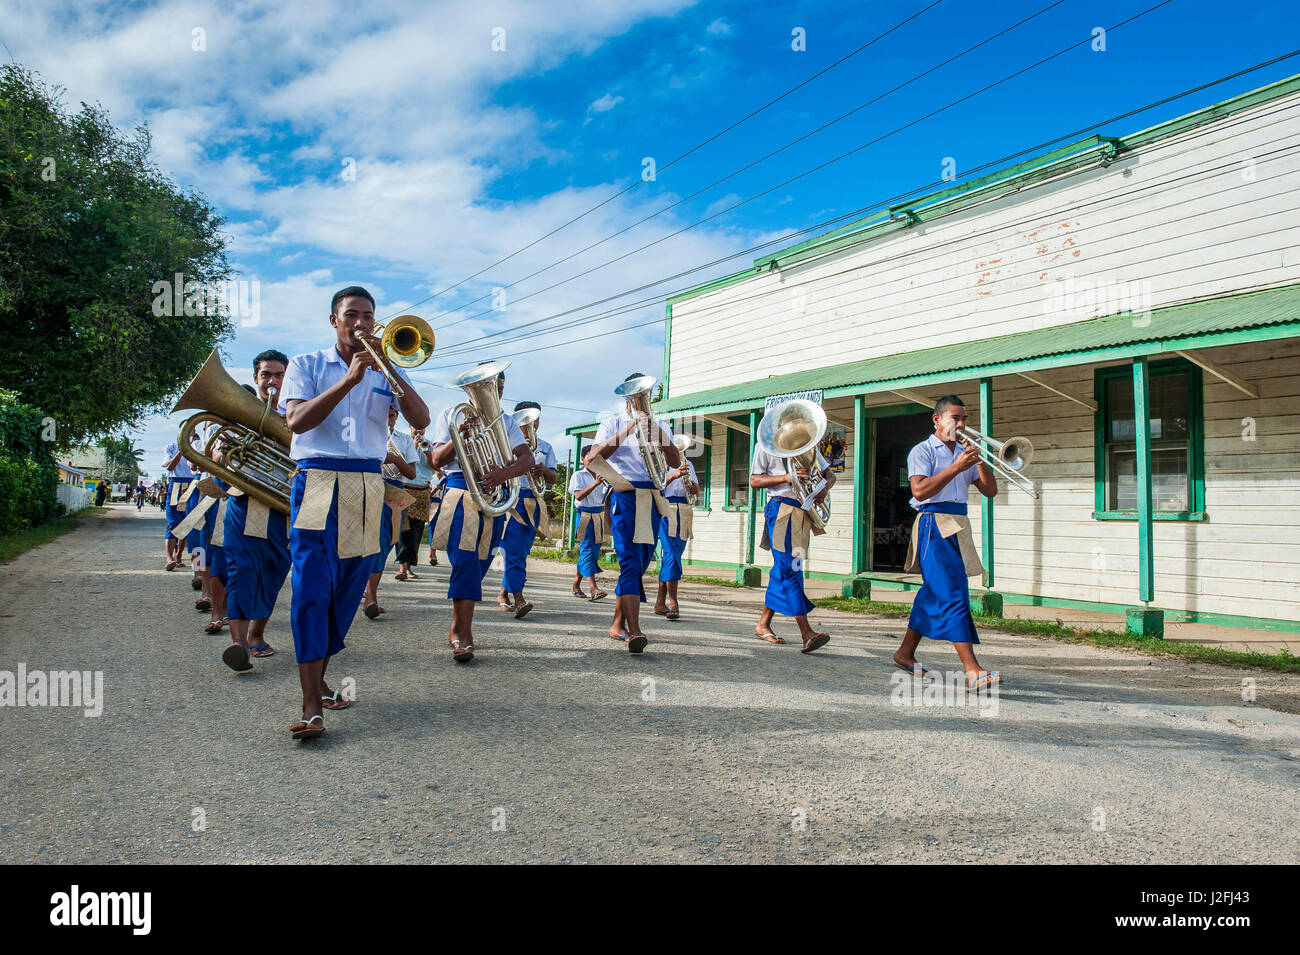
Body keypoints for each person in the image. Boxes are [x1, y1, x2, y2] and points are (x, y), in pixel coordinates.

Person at [280, 286, 430, 739]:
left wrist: (394, 372)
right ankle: (311, 704)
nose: (361, 323)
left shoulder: (386, 369)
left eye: (368, 315)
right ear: (334, 320)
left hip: (367, 482)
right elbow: (296, 421)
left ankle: (319, 680)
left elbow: (421, 420)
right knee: (311, 586)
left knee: (347, 590)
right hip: (317, 478)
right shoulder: (305, 365)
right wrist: (349, 379)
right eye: (352, 315)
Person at [426, 362, 533, 663]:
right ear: (466, 389)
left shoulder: (507, 420)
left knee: (482, 561)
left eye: (499, 384)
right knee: (466, 560)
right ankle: (465, 635)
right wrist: (457, 435)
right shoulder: (451, 414)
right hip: (461, 489)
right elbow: (436, 459)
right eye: (488, 385)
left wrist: (505, 473)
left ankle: (456, 625)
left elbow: (526, 458)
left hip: (495, 489)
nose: (495, 389)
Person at [893, 395, 1001, 691]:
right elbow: (920, 490)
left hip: (957, 524)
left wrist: (979, 462)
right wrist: (956, 466)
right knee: (953, 592)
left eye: (965, 418)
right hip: (932, 524)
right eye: (956, 418)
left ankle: (905, 653)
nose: (962, 424)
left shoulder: (965, 453)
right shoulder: (923, 450)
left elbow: (990, 491)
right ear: (937, 419)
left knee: (934, 592)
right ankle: (972, 669)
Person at [584, 373, 681, 654]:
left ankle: (617, 624)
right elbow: (594, 457)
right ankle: (635, 630)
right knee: (629, 562)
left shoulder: (661, 425)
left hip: (653, 496)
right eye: (636, 396)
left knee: (641, 562)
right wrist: (629, 430)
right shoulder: (611, 423)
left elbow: (674, 460)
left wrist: (656, 431)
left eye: (644, 395)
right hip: (625, 494)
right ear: (626, 398)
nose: (640, 401)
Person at [220, 351, 292, 672]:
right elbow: (221, 466)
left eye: (279, 375)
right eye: (266, 375)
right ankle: (238, 644)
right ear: (256, 379)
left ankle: (257, 634)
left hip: (282, 505)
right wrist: (225, 453)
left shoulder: (297, 415)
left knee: (275, 570)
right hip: (244, 499)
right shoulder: (236, 416)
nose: (273, 381)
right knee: (242, 568)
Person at [750, 413, 835, 652]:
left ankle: (763, 624)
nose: (797, 428)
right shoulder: (765, 446)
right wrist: (789, 477)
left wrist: (824, 488)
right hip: (781, 511)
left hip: (802, 514)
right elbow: (754, 480)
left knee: (785, 568)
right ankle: (807, 632)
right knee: (789, 569)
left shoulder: (807, 445)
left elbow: (830, 474)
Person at [496, 401, 557, 618]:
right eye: (525, 419)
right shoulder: (504, 444)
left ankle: (503, 593)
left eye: (535, 419)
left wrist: (543, 471)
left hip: (534, 501)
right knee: (513, 551)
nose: (531, 423)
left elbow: (554, 477)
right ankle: (519, 599)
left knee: (520, 551)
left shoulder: (547, 447)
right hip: (513, 499)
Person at [361, 408, 417, 618]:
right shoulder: (365, 433)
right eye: (383, 413)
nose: (387, 418)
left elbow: (411, 473)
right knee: (362, 542)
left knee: (384, 543)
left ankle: (371, 595)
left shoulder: (403, 439)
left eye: (392, 414)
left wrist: (394, 459)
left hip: (393, 492)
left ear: (397, 417)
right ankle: (365, 594)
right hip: (367, 485)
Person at [653, 434, 699, 621]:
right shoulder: (658, 464)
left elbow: (695, 487)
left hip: (685, 511)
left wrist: (695, 487)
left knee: (673, 556)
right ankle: (674, 603)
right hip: (667, 509)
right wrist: (674, 475)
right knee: (671, 555)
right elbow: (657, 486)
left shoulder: (689, 464)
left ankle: (659, 602)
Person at [394, 424, 435, 581]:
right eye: (416, 427)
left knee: (417, 531)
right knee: (404, 530)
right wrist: (414, 447)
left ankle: (409, 566)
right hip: (405, 489)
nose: (419, 430)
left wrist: (427, 453)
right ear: (410, 426)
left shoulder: (430, 445)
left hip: (423, 491)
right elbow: (398, 464)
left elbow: (436, 467)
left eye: (422, 428)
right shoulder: (403, 442)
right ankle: (402, 567)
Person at [568, 447, 609, 600]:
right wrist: (596, 484)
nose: (592, 461)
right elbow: (578, 496)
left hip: (598, 516)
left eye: (595, 458)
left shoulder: (603, 475)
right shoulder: (578, 475)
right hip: (584, 515)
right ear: (583, 459)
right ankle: (594, 588)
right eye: (589, 458)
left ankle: (576, 584)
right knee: (587, 549)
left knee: (594, 550)